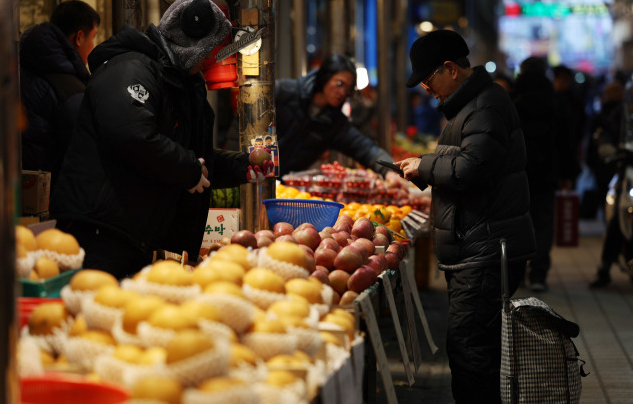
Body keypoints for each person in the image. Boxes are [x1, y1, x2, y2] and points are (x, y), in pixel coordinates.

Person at [51, 0, 270, 279]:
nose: (208, 61)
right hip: (102, 234)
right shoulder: (130, 69)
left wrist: (240, 166)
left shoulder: (181, 83)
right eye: (208, 51)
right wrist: (189, 169)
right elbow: (131, 135)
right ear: (191, 46)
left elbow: (191, 154)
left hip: (138, 238)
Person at [396, 29, 536, 403]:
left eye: (428, 80)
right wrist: (426, 165)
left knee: (471, 353)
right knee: (473, 351)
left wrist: (426, 167)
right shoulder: (473, 105)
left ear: (449, 69)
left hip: (485, 250)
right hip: (479, 246)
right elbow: (470, 162)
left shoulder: (485, 105)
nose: (427, 90)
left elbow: (473, 168)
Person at [229, 54, 404, 185]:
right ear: (325, 78)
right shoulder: (284, 92)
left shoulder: (335, 123)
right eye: (339, 83)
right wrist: (234, 162)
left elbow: (365, 148)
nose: (342, 92)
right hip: (245, 177)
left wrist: (389, 171)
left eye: (348, 88)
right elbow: (244, 120)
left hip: (284, 189)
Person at [19, 0, 100, 187]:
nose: (93, 45)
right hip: (54, 193)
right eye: (93, 37)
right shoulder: (70, 90)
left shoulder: (22, 69)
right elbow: (83, 154)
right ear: (79, 37)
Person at [512, 56, 573, 292]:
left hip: (518, 173)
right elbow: (565, 140)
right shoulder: (555, 100)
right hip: (547, 172)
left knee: (517, 222)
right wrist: (567, 173)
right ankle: (538, 274)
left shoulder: (514, 100)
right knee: (544, 224)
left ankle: (516, 273)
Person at [587, 81, 633, 288]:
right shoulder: (617, 115)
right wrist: (607, 148)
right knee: (617, 218)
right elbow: (603, 134)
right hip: (625, 173)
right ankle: (604, 268)